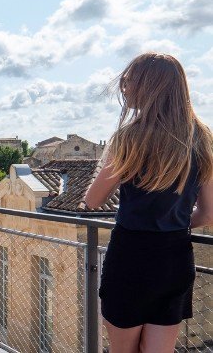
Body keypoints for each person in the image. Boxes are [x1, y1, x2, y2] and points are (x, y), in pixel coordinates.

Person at [84, 52, 213, 352]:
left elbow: (93, 199)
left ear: (149, 86)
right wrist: (174, 222)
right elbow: (208, 213)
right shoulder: (201, 138)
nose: (124, 87)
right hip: (175, 259)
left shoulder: (129, 138)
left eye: (129, 81)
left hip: (130, 257)